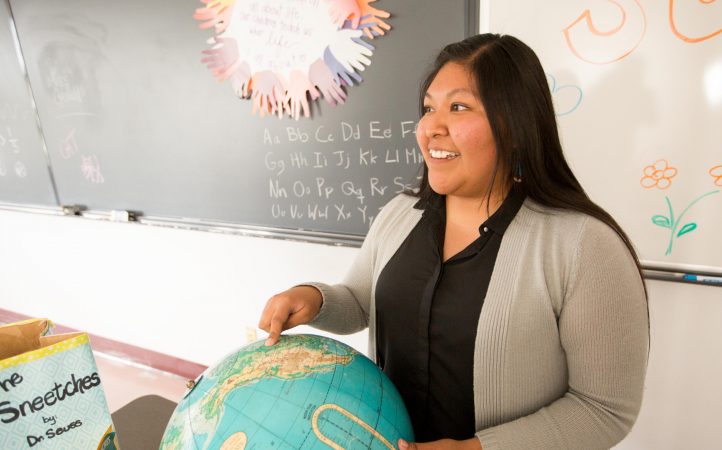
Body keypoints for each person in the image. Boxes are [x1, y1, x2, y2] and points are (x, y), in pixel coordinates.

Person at [259, 33, 649, 450]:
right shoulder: (399, 215)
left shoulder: (582, 245)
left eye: (458, 107)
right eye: (428, 108)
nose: (431, 128)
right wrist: (313, 298)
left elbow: (604, 410)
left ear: (514, 126)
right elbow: (359, 302)